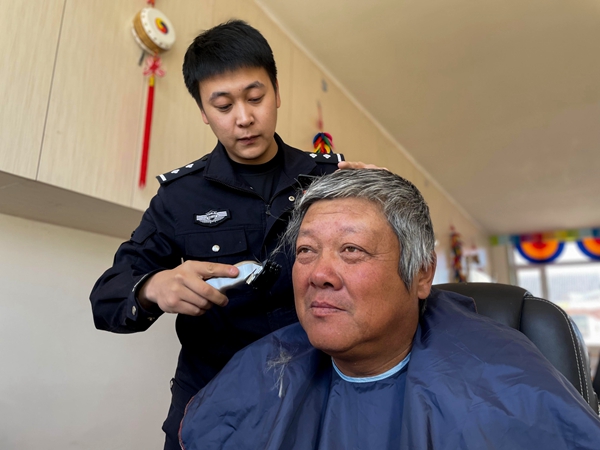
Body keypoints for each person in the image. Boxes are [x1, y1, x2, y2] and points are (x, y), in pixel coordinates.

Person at [89, 20, 370, 449]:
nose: (244, 118)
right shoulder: (180, 197)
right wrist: (153, 287)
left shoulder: (329, 179)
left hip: (318, 399)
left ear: (277, 92)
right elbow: (107, 299)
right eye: (222, 105)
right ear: (203, 112)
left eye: (256, 98)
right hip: (212, 405)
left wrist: (384, 201)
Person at [180, 169, 600, 449]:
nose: (318, 274)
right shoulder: (262, 368)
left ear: (421, 274)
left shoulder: (501, 386)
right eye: (306, 250)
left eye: (351, 249)